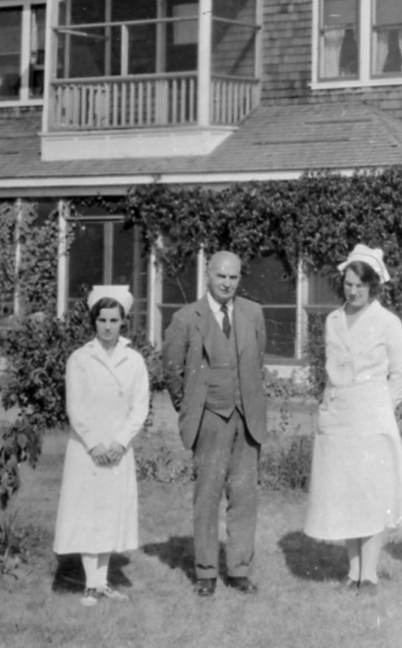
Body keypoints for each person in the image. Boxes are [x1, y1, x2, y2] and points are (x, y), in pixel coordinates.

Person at [303, 245, 402, 594]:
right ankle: (353, 572)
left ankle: (370, 575)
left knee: (371, 494)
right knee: (345, 494)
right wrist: (326, 406)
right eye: (348, 284)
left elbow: (401, 372)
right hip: (338, 418)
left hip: (372, 418)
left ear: (373, 287)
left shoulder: (387, 323)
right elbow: (331, 372)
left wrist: (382, 405)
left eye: (360, 286)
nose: (353, 291)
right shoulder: (332, 321)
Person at [161, 251, 268, 597]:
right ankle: (206, 572)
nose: (227, 283)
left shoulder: (253, 313)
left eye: (233, 277)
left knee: (244, 496)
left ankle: (239, 570)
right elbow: (172, 372)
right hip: (209, 419)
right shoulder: (186, 318)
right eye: (221, 276)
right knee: (206, 496)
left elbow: (257, 361)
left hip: (246, 419)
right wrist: (194, 408)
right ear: (208, 274)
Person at [53, 285, 151, 606]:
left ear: (123, 321)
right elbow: (75, 407)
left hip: (118, 448)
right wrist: (94, 444)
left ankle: (102, 581)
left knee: (110, 511)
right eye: (101, 320)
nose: (107, 327)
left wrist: (120, 443)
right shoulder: (80, 359)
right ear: (93, 322)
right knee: (87, 511)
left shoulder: (134, 360)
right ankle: (90, 584)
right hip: (87, 448)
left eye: (114, 320)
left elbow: (140, 406)